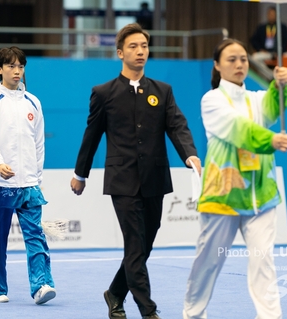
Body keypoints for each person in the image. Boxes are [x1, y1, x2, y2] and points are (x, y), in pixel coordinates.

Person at [71, 23, 201, 319]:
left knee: (143, 246)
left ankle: (115, 292)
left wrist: (190, 156)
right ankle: (148, 310)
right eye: (133, 46)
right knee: (134, 244)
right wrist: (81, 174)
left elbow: (177, 126)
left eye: (144, 45)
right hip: (122, 180)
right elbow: (91, 135)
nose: (140, 50)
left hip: (156, 179)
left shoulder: (162, 91)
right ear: (120, 53)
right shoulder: (103, 93)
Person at [182, 39, 287, 319]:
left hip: (262, 195)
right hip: (225, 197)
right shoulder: (212, 100)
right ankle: (193, 314)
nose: (239, 64)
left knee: (263, 261)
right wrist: (270, 140)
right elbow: (238, 129)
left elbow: (272, 108)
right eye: (231, 59)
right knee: (209, 262)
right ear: (217, 66)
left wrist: (279, 87)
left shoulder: (256, 98)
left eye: (243, 59)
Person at [0, 46, 55, 305]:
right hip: (0, 182)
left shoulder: (34, 102)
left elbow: (39, 144)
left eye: (20, 66)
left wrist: (37, 178)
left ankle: (42, 284)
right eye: (11, 66)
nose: (17, 71)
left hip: (29, 184)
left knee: (36, 235)